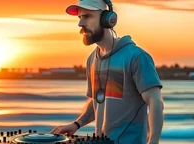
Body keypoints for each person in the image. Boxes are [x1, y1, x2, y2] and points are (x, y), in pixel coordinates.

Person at [50, 0, 165, 144]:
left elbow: (155, 102)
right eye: (80, 18)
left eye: (87, 16)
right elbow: (98, 101)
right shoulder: (92, 59)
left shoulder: (136, 57)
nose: (80, 24)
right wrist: (76, 124)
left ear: (108, 19)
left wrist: (152, 141)